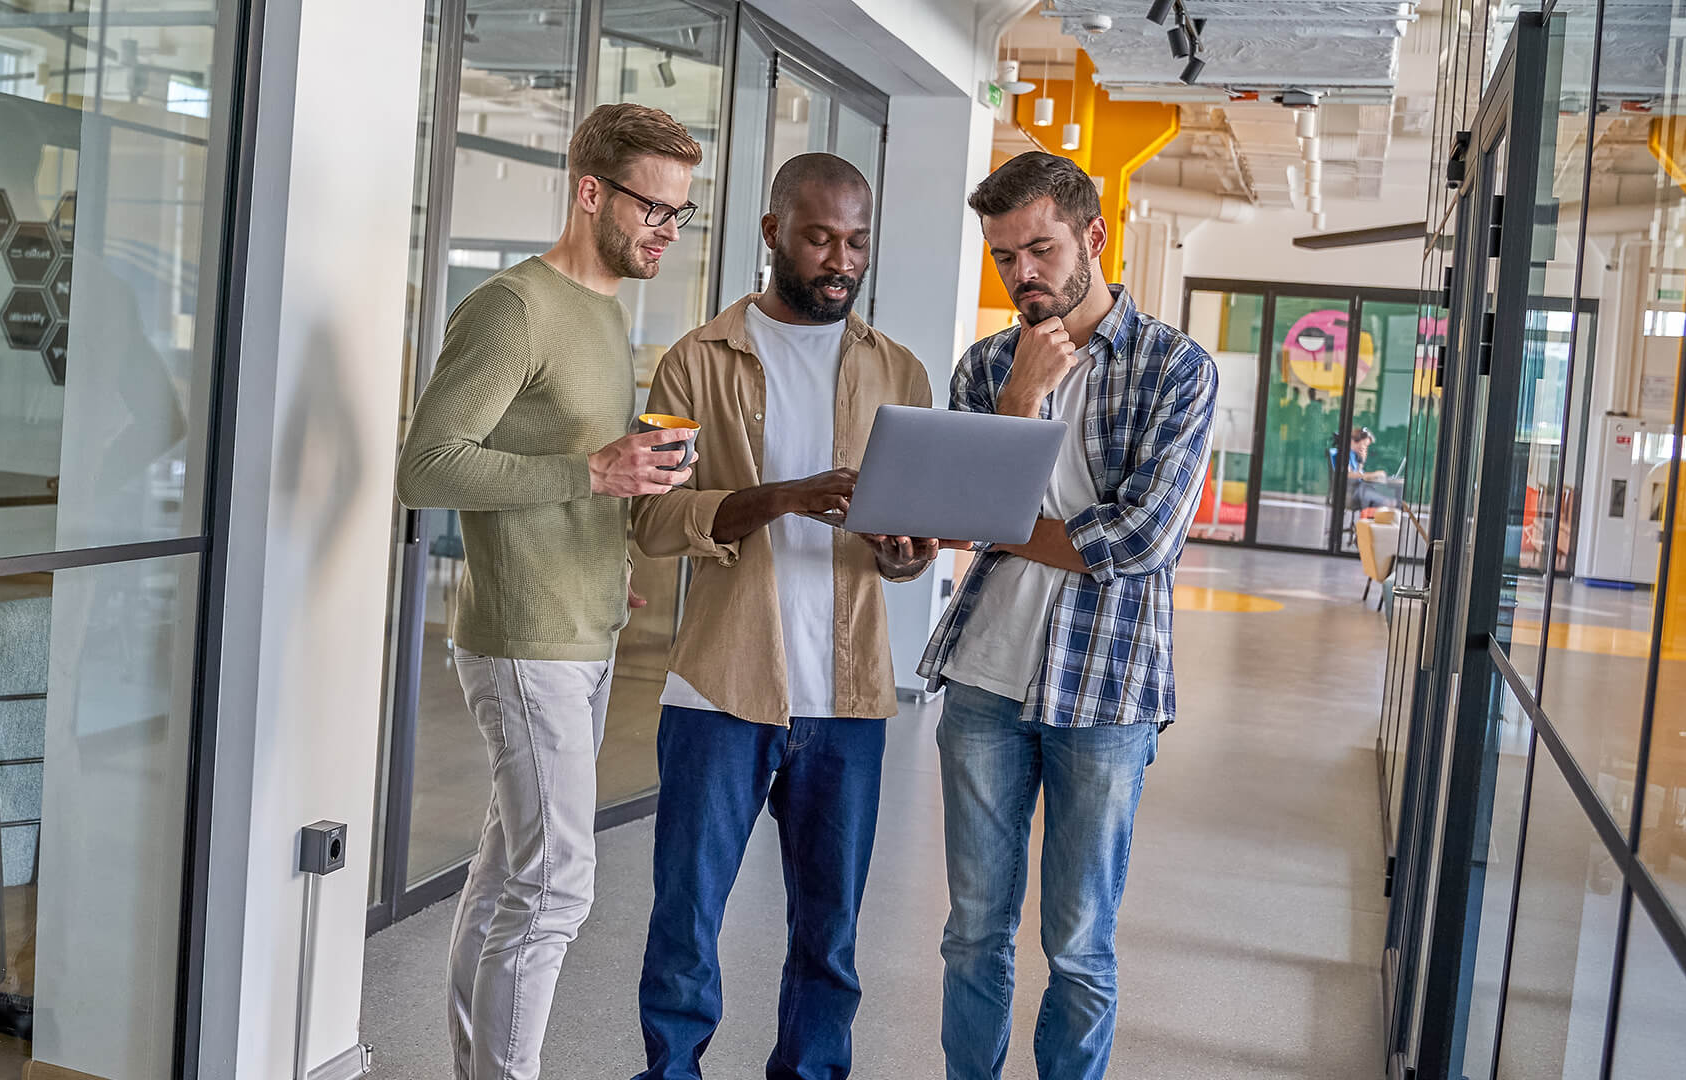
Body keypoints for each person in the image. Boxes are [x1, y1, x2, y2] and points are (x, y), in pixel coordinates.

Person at [395, 102, 704, 1080]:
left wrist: (614, 558)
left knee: (504, 878)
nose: (664, 229)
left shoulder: (607, 314)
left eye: (678, 214)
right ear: (589, 192)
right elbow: (428, 468)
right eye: (653, 208)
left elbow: (574, 466)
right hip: (524, 636)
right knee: (556, 887)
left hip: (586, 627)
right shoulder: (511, 309)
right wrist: (594, 477)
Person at [627, 153, 935, 1080]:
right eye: (818, 236)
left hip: (847, 700)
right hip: (719, 687)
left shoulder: (901, 373)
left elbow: (907, 551)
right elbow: (652, 519)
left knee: (830, 938)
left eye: (856, 241)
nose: (840, 259)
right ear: (772, 234)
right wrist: (783, 496)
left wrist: (904, 553)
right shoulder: (692, 361)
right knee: (686, 923)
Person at [916, 151, 1218, 1080]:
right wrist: (1020, 404)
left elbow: (1138, 544)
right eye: (1005, 258)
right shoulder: (988, 367)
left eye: (1040, 249)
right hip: (982, 682)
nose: (1023, 275)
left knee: (1080, 945)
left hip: (1110, 690)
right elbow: (961, 522)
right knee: (973, 931)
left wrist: (1005, 521)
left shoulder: (1175, 368)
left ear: (1094, 237)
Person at [1339, 426, 1398, 510]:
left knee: (1389, 500)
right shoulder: (1345, 453)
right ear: (1354, 441)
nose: (1364, 448)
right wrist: (1373, 474)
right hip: (1353, 491)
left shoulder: (1354, 454)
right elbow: (1348, 475)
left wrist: (1362, 461)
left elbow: (1357, 472)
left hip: (1360, 489)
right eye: (1364, 444)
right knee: (1386, 502)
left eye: (1366, 446)